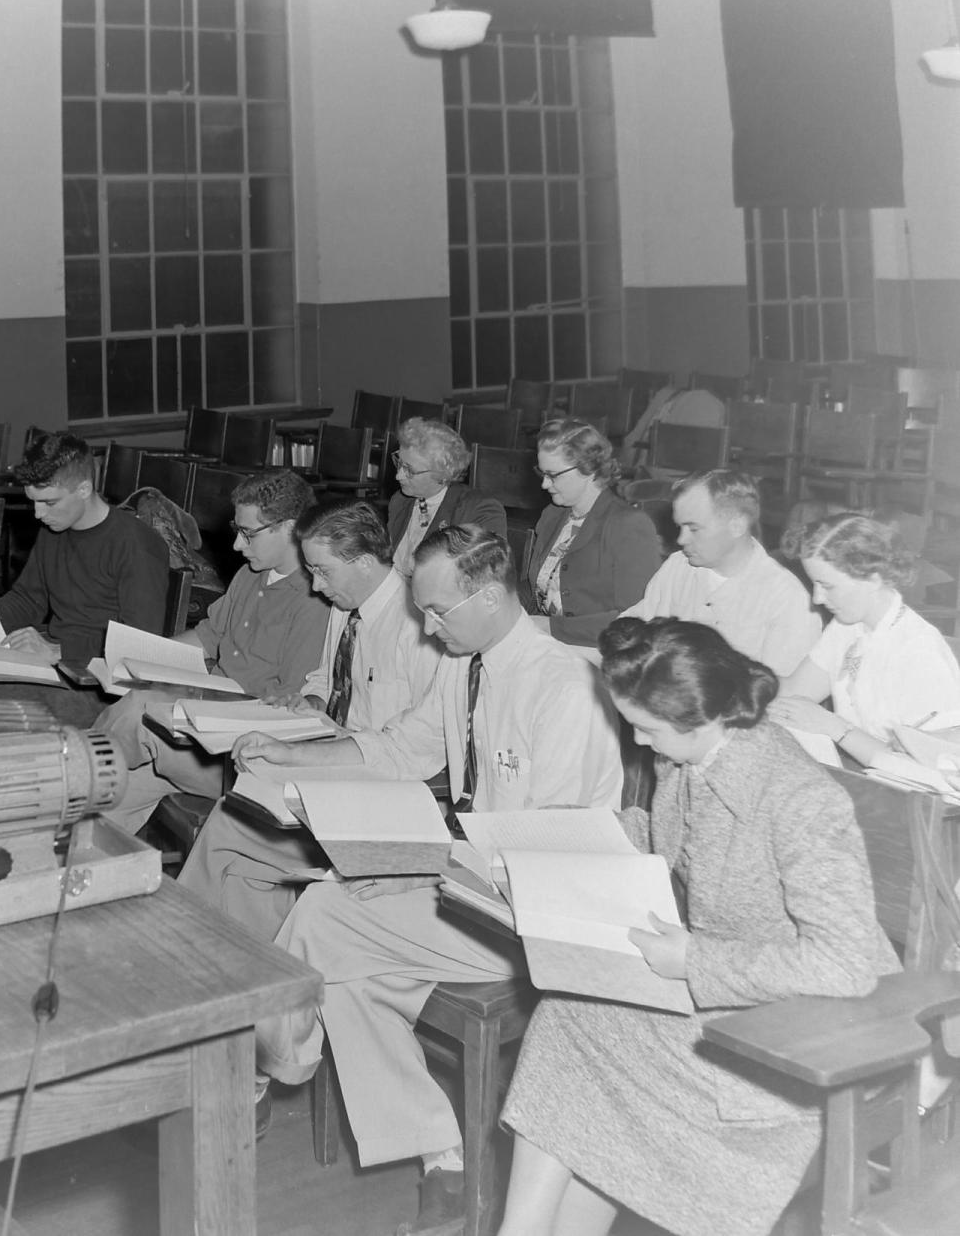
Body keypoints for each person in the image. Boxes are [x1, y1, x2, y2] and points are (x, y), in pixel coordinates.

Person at [243, 525, 622, 1236]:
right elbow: (406, 748)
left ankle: (268, 1063)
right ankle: (441, 1157)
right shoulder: (466, 659)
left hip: (535, 918)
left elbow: (546, 852)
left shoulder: (563, 687)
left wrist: (420, 869)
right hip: (472, 886)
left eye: (439, 611)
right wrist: (302, 758)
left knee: (326, 910)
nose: (425, 626)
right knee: (350, 969)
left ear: (489, 595)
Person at [497, 617, 898, 1236]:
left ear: (702, 716)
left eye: (646, 726)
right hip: (727, 1002)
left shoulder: (798, 796)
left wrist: (695, 961)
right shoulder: (688, 757)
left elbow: (842, 964)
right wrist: (553, 844)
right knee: (569, 1015)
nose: (633, 735)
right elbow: (668, 842)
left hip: (793, 1038)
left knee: (570, 1031)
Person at [176, 499, 443, 942]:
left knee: (233, 825)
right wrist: (314, 699)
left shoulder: (417, 627)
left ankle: (192, 946)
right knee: (244, 824)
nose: (315, 587)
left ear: (361, 562)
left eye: (322, 571)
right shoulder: (347, 604)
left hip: (388, 781)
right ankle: (244, 961)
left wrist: (305, 754)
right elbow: (326, 675)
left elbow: (416, 748)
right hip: (336, 752)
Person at [95, 470, 330, 833]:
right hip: (199, 733)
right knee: (98, 812)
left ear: (290, 528)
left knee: (138, 713)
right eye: (238, 531)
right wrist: (131, 660)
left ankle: (68, 768)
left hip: (239, 757)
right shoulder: (251, 574)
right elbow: (207, 637)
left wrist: (192, 705)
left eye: (248, 533)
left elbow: (291, 709)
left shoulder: (315, 601)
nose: (237, 545)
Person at [0, 431, 168, 725]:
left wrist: (59, 651)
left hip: (97, 687)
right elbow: (28, 599)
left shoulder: (136, 544)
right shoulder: (55, 529)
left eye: (49, 503)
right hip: (54, 663)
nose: (38, 514)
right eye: (33, 502)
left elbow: (140, 644)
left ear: (84, 489)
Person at [771, 512, 960, 766]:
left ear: (873, 579)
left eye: (827, 586)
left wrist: (834, 727)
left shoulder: (919, 652)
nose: (817, 598)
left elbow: (920, 769)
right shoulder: (847, 626)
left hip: (909, 793)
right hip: (862, 774)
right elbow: (795, 693)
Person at [619, 469, 820, 676]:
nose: (681, 540)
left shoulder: (786, 598)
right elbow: (636, 624)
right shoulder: (678, 566)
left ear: (737, 526)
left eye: (694, 529)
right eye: (680, 527)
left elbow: (779, 693)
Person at [525, 417, 663, 646]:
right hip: (545, 642)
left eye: (553, 475)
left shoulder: (628, 525)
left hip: (598, 649)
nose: (544, 485)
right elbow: (534, 590)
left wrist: (549, 627)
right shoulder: (553, 515)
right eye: (542, 474)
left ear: (588, 469)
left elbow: (635, 620)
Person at [387, 417, 506, 578]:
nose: (398, 476)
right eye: (399, 463)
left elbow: (484, 577)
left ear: (442, 474)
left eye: (409, 470)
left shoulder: (479, 510)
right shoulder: (401, 500)